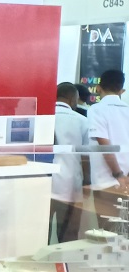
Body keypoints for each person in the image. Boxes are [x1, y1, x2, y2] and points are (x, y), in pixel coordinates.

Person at [87, 69, 129, 230]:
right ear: (121, 90)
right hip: (126, 181)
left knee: (106, 232)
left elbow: (104, 144)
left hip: (106, 182)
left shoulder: (96, 109)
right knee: (124, 233)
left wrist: (118, 174)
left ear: (98, 88)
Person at [52, 82, 90, 242]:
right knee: (68, 235)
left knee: (40, 233)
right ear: (73, 99)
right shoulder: (82, 121)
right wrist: (87, 183)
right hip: (70, 186)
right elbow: (86, 156)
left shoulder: (45, 116)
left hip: (44, 184)